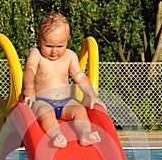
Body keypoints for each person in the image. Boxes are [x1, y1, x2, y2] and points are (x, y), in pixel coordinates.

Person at [23, 12, 106, 148]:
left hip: (66, 101)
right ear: (39, 39)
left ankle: (85, 134)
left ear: (68, 39)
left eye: (60, 46)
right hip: (42, 101)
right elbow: (30, 70)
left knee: (80, 110)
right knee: (45, 113)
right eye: (49, 46)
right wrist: (29, 89)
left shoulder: (70, 56)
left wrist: (91, 94)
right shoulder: (36, 54)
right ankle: (57, 135)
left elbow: (79, 76)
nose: (54, 51)